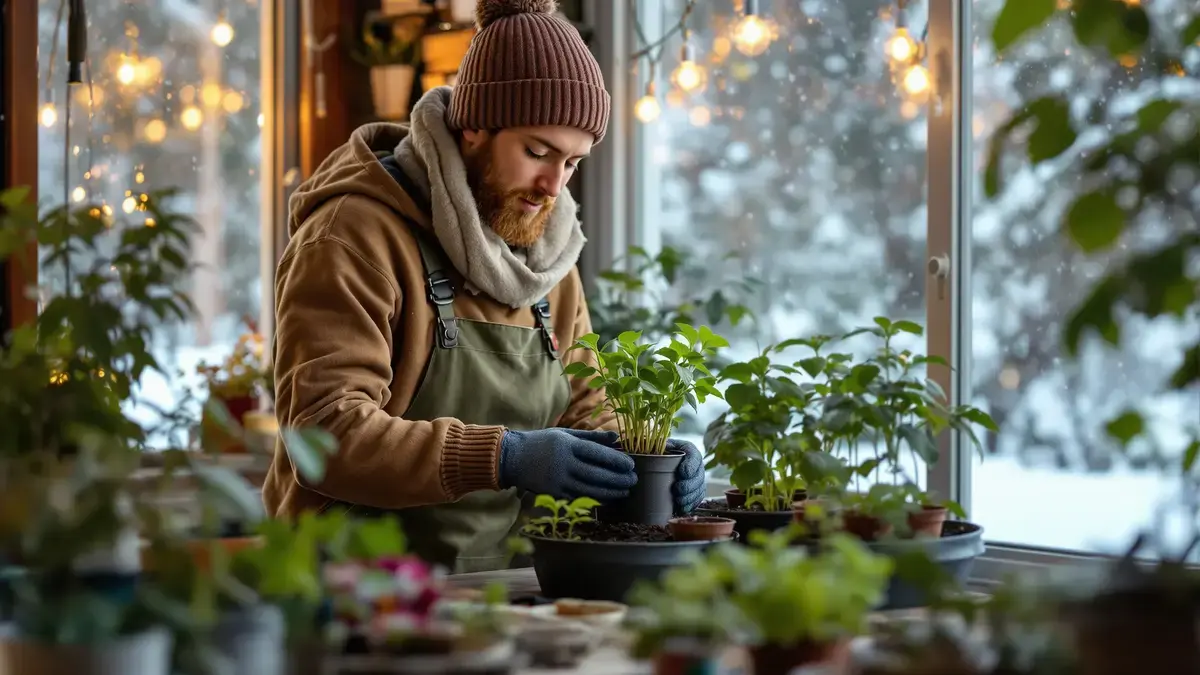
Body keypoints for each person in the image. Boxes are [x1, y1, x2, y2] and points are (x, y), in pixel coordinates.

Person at [261, 0, 706, 573]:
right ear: (472, 127)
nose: (553, 185)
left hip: (508, 586)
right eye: (537, 152)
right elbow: (325, 439)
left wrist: (645, 459)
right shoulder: (352, 236)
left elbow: (588, 412)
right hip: (360, 591)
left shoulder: (550, 258)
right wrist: (503, 456)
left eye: (572, 163)